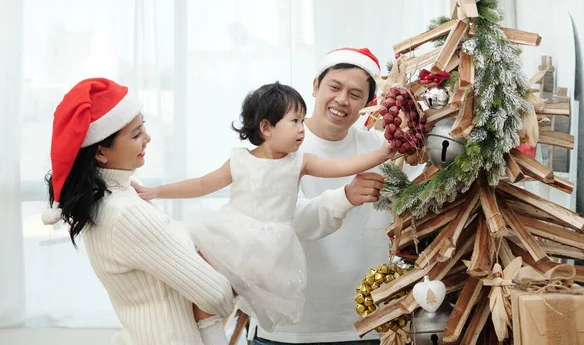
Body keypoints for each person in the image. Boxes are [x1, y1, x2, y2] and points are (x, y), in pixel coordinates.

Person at [133, 82, 397, 340]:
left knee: (219, 297)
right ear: (266, 127)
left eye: (303, 121)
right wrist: (157, 191)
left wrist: (383, 153)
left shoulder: (300, 162)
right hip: (232, 233)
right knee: (203, 292)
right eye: (295, 121)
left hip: (269, 248)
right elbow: (202, 184)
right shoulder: (240, 159)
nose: (302, 130)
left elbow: (345, 166)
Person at [250, 48, 424, 345]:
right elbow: (287, 220)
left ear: (369, 103)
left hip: (366, 325)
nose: (342, 100)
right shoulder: (279, 146)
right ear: (316, 86)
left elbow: (425, 195)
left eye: (356, 94)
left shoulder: (383, 148)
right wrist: (346, 196)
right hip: (289, 331)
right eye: (334, 87)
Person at [41, 78, 234, 345]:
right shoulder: (125, 213)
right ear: (100, 153)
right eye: (135, 134)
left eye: (144, 126)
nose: (148, 138)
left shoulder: (115, 196)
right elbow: (216, 295)